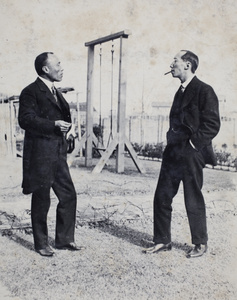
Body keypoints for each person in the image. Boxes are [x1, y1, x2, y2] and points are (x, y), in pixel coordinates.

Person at [143, 50, 220, 258]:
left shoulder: (204, 90)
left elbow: (212, 125)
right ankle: (162, 240)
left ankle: (200, 243)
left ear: (187, 65)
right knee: (162, 195)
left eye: (175, 60)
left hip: (192, 152)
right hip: (173, 152)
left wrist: (193, 145)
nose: (171, 64)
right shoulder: (180, 91)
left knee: (192, 196)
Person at [18, 52, 82, 256]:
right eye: (58, 64)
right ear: (46, 69)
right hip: (40, 155)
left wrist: (68, 132)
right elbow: (25, 120)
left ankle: (64, 240)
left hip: (58, 154)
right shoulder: (30, 92)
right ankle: (41, 244)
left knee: (68, 195)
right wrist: (53, 125)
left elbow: (62, 118)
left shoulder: (57, 92)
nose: (62, 68)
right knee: (42, 198)